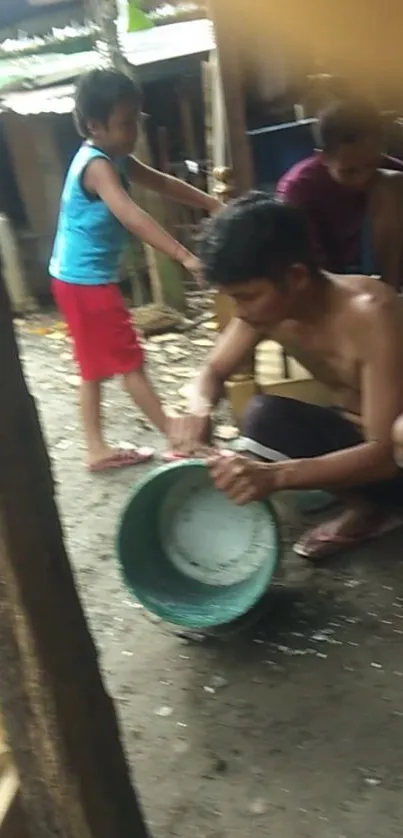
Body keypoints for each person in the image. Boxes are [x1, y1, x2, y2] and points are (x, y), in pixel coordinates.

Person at [171, 192, 403, 561]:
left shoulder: (371, 313)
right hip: (358, 444)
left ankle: (374, 511)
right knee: (265, 415)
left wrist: (276, 476)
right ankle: (367, 506)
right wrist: (199, 409)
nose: (240, 312)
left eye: (246, 296)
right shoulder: (269, 311)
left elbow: (384, 455)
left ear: (295, 276)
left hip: (393, 458)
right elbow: (213, 371)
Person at [50, 68, 221, 473]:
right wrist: (184, 255)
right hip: (86, 282)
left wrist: (211, 203)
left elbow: (161, 183)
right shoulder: (97, 165)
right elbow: (130, 214)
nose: (133, 132)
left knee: (92, 367)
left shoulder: (116, 156)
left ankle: (95, 448)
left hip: (71, 279)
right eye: (125, 123)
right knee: (129, 362)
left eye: (135, 120)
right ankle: (177, 439)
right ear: (95, 126)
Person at [276, 99, 403, 288]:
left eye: (370, 166)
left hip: (384, 281)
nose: (363, 179)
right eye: (349, 171)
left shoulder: (390, 174)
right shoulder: (298, 190)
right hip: (329, 285)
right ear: (323, 157)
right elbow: (305, 263)